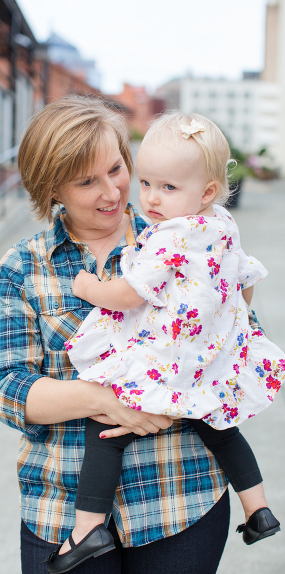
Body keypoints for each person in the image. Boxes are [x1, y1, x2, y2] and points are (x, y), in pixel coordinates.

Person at [0, 96, 255, 574]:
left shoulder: (189, 236)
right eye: (87, 181)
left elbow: (237, 346)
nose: (112, 191)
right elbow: (7, 389)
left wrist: (168, 396)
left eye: (116, 168)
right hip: (62, 509)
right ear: (52, 189)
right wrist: (107, 400)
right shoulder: (23, 267)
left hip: (181, 499)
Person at [44, 112, 283, 573]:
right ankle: (259, 508)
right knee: (220, 426)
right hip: (208, 356)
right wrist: (216, 319)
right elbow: (246, 284)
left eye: (168, 188)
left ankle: (87, 527)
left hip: (166, 358)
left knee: (106, 429)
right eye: (148, 182)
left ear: (207, 191)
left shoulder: (169, 237)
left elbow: (127, 294)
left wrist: (88, 287)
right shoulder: (222, 226)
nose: (149, 198)